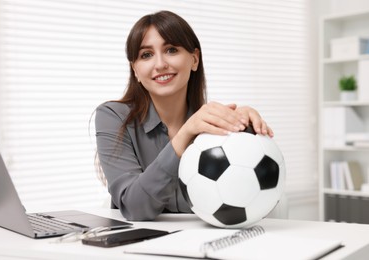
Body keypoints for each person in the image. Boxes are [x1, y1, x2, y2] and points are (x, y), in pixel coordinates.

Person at [95, 10, 273, 221]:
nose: (160, 64)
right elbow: (135, 207)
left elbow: (247, 199)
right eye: (146, 55)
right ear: (135, 70)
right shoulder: (112, 117)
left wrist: (247, 132)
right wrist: (185, 135)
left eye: (171, 50)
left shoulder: (215, 132)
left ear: (194, 59)